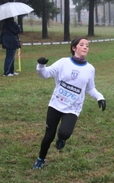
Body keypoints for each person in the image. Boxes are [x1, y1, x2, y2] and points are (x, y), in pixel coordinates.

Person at [33, 37, 106, 169]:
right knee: (48, 136)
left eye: (87, 46)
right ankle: (40, 159)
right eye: (82, 45)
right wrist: (41, 65)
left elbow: (90, 88)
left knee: (65, 133)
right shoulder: (63, 62)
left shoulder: (90, 69)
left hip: (73, 108)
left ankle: (61, 138)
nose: (85, 47)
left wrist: (99, 97)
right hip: (55, 104)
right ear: (74, 48)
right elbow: (45, 74)